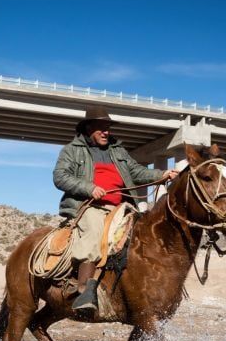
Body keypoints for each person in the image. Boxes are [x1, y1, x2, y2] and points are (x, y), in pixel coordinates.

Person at [53, 105, 178, 312]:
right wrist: (88, 188)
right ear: (88, 129)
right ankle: (83, 291)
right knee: (94, 233)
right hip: (89, 206)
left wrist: (161, 175)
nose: (106, 132)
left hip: (121, 207)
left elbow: (136, 172)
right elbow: (60, 177)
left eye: (108, 127)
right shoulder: (72, 150)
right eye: (100, 127)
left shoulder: (117, 150)